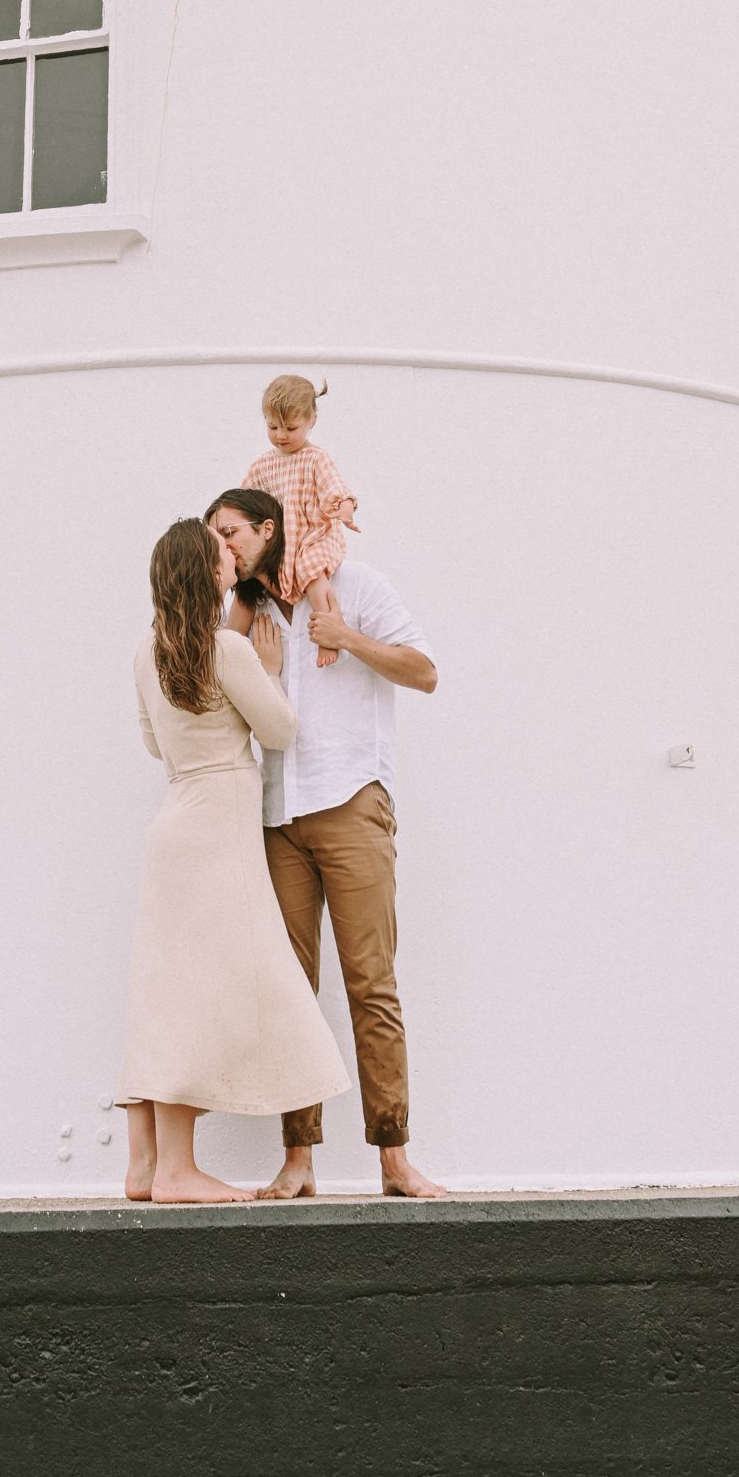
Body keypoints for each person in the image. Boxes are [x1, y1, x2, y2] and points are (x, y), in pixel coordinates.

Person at [208, 485, 446, 1200]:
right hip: (278, 816)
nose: (223, 546)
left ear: (268, 528)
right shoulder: (247, 612)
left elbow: (425, 672)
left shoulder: (355, 585)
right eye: (214, 536)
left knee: (371, 983)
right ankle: (298, 1160)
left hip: (351, 802)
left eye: (231, 533)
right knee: (290, 993)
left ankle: (395, 1158)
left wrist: (347, 640)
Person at [117, 516, 348, 1205]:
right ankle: (178, 1172)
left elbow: (156, 748)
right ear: (201, 571)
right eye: (220, 550)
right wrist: (272, 673)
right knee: (198, 993)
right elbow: (279, 731)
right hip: (218, 828)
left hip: (173, 828)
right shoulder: (228, 650)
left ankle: (144, 1165)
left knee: (164, 989)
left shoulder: (144, 653)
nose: (231, 556)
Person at [242, 372, 357, 667]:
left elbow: (335, 487)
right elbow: (244, 500)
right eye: (273, 426)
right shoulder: (263, 465)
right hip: (284, 543)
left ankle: (328, 633)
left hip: (313, 535)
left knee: (312, 571)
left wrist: (344, 508)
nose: (281, 434)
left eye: (291, 427)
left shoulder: (316, 459)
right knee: (260, 578)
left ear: (311, 421)